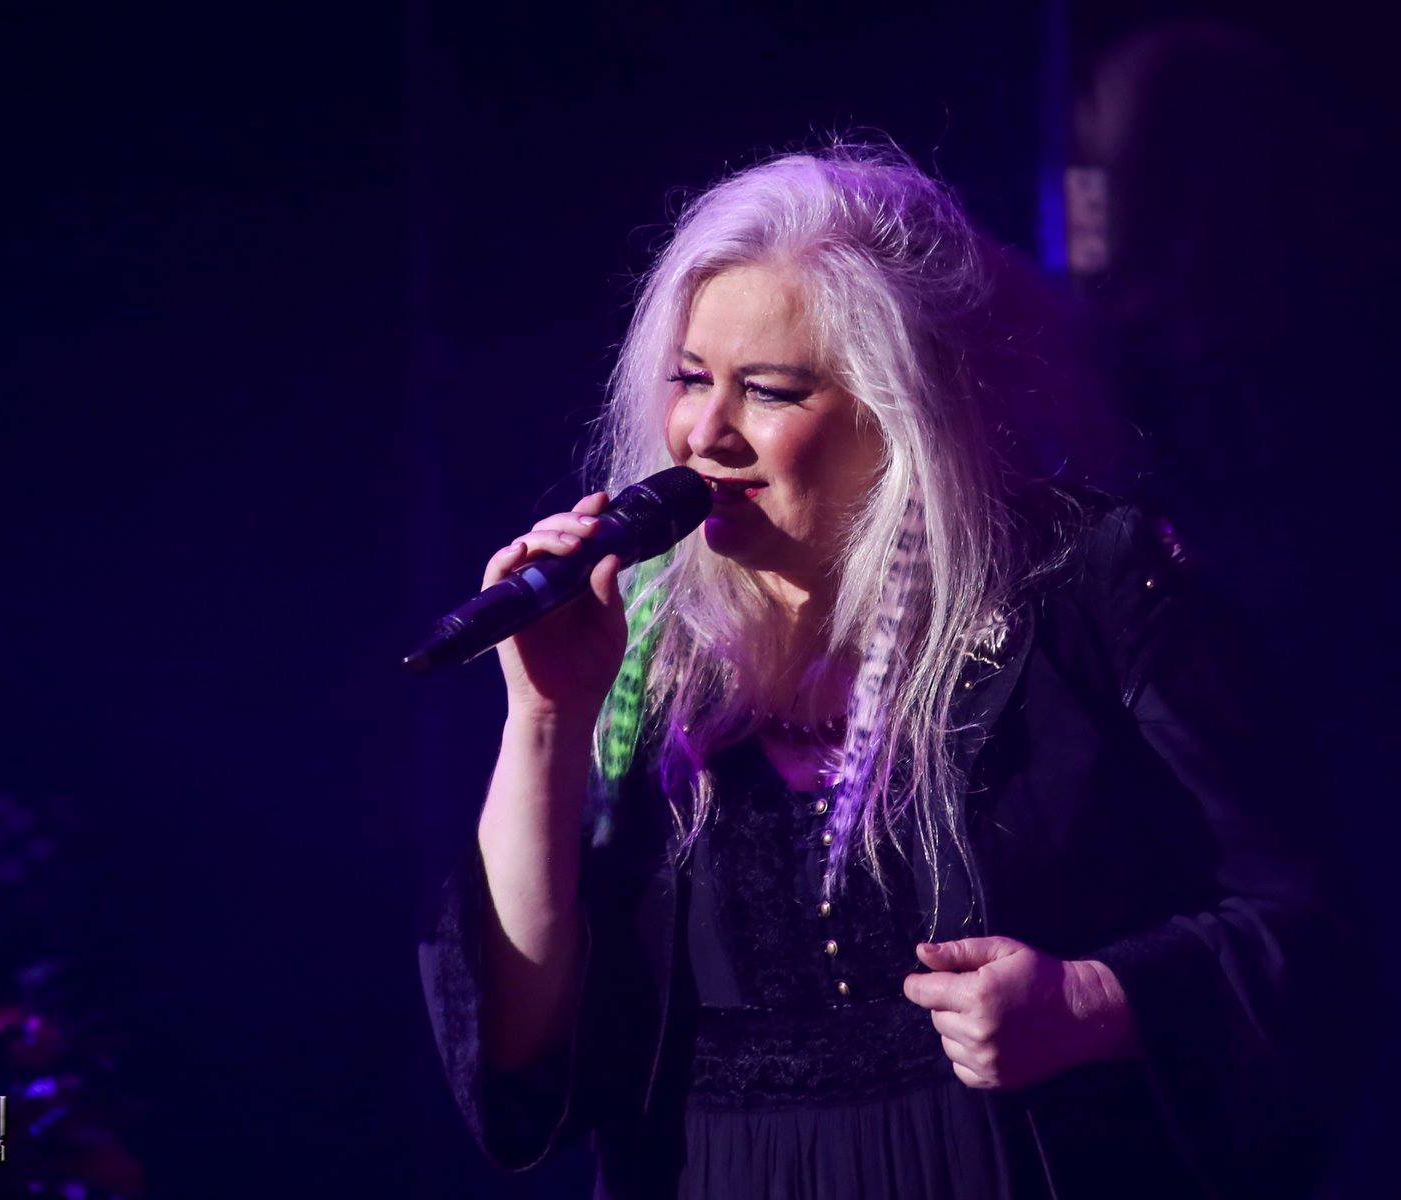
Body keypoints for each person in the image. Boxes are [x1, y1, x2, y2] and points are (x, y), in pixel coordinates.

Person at [418, 144, 1352, 1199]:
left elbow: (1308, 931)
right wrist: (544, 717)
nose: (705, 432)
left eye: (768, 391)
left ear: (905, 409)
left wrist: (1095, 1002)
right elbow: (518, 1058)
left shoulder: (1081, 587)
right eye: (689, 380)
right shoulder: (640, 643)